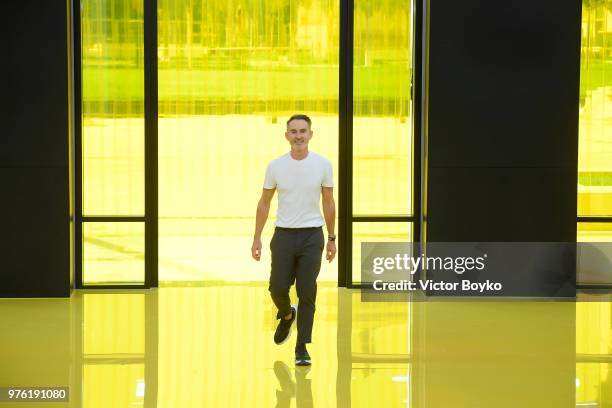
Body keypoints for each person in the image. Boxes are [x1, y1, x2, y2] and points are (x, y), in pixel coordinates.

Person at [251, 114, 336, 366]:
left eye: (303, 131)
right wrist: (256, 237)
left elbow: (329, 202)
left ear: (311, 134)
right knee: (277, 288)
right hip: (284, 235)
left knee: (307, 290)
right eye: (294, 131)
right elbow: (264, 203)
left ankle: (302, 347)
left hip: (312, 235)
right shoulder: (275, 166)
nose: (298, 135)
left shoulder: (323, 165)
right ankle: (287, 315)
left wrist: (331, 238)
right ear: (287, 135)